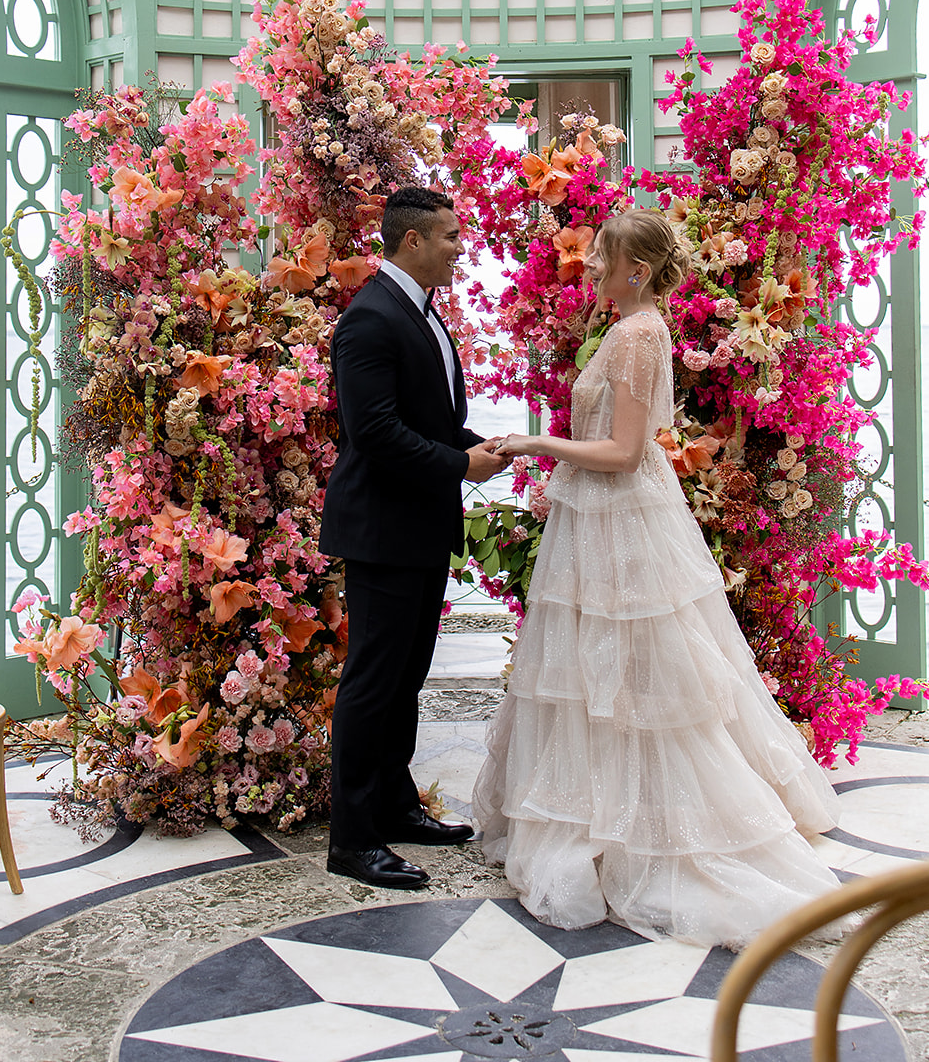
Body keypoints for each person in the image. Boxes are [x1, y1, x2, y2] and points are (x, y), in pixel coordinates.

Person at [472, 208, 841, 946]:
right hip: (598, 518)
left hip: (619, 519)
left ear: (633, 269)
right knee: (603, 672)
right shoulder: (632, 328)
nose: (591, 270)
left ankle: (641, 821)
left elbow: (624, 450)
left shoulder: (638, 334)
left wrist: (531, 442)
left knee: (636, 673)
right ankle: (604, 806)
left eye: (603, 259)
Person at [321, 185, 506, 890]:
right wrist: (460, 464)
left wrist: (473, 442)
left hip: (419, 527)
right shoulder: (369, 319)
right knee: (371, 686)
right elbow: (372, 434)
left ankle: (397, 808)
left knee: (403, 683)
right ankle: (353, 840)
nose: (462, 248)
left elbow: (420, 420)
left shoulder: (419, 311)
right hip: (381, 530)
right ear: (413, 242)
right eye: (452, 236)